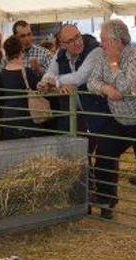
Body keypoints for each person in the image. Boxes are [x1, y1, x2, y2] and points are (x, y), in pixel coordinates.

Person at [87, 19, 136, 222]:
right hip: (120, 119)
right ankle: (106, 200)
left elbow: (127, 88)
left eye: (105, 40)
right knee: (104, 152)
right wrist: (106, 88)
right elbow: (92, 82)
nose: (102, 44)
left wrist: (113, 64)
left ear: (118, 40)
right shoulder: (102, 55)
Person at [38, 24, 109, 169]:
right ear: (63, 45)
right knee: (75, 154)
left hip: (97, 111)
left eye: (78, 36)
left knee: (105, 155)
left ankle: (104, 190)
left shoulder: (95, 50)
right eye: (70, 41)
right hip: (72, 113)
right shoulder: (60, 54)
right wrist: (45, 82)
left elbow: (80, 77)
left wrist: (55, 82)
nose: (77, 42)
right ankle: (86, 186)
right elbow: (50, 72)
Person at [0, 35, 45, 140]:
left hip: (7, 118)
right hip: (26, 117)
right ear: (21, 50)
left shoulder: (2, 73)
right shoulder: (27, 72)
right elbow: (40, 88)